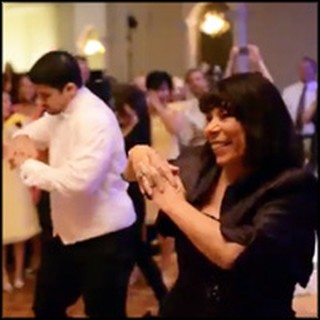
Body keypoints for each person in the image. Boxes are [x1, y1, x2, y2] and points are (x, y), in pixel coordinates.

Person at [122, 72, 317, 317]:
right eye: (209, 117)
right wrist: (140, 154)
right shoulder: (200, 165)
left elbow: (232, 254)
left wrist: (173, 203)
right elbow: (128, 173)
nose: (211, 128)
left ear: (258, 122)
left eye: (224, 116)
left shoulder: (292, 187)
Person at [7, 50, 137, 317]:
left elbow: (78, 182)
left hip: (105, 235)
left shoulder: (95, 119)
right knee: (46, 307)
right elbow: (38, 130)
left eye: (45, 96)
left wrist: (26, 164)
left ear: (69, 88)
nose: (40, 103)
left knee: (104, 313)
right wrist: (21, 137)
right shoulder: (60, 108)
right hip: (67, 233)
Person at [113, 84, 168, 307]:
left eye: (121, 106)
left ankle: (163, 297)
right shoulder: (119, 126)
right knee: (134, 249)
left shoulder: (142, 126)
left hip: (134, 193)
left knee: (137, 248)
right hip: (118, 191)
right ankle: (163, 297)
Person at [2, 91, 41, 292]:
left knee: (19, 230)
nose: (6, 104)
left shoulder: (17, 127)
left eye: (8, 100)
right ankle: (4, 276)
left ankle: (18, 274)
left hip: (16, 182)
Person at [282, 56, 317, 165]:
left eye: (307, 69)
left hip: (312, 136)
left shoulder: (317, 90)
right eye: (301, 69)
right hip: (294, 138)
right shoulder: (288, 91)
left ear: (314, 70)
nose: (304, 71)